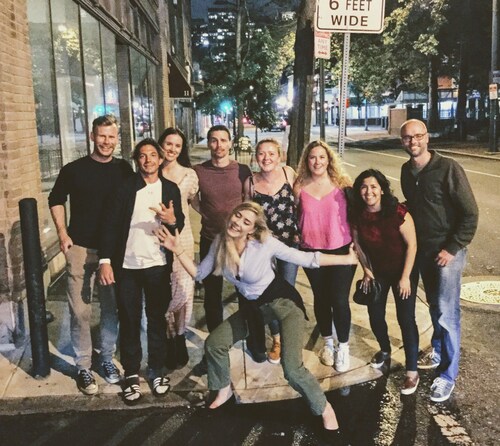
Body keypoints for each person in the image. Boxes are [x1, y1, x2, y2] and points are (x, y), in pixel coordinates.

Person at [155, 202, 358, 444]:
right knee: (215, 344)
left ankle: (325, 409)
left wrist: (346, 259)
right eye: (237, 215)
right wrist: (177, 250)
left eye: (246, 222)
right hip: (254, 309)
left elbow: (306, 258)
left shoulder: (265, 243)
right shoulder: (220, 242)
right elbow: (199, 274)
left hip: (283, 303)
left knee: (292, 370)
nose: (238, 222)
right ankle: (224, 391)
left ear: (252, 229)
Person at [48, 115, 133, 395]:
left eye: (111, 136)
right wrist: (63, 234)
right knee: (80, 310)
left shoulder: (124, 169)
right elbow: (56, 199)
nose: (106, 141)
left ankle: (106, 358)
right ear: (92, 136)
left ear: (117, 138)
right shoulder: (74, 170)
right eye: (102, 136)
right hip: (80, 248)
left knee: (111, 308)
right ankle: (83, 365)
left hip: (113, 252)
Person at [98, 138, 184, 404]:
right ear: (137, 160)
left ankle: (156, 370)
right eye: (143, 156)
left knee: (157, 319)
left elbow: (178, 221)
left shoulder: (169, 188)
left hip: (158, 265)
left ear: (160, 159)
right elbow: (109, 224)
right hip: (128, 266)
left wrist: (172, 220)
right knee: (129, 319)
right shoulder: (125, 188)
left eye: (153, 155)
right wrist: (105, 260)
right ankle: (132, 373)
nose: (148, 160)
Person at [400, 119, 478, 402]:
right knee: (434, 305)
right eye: (407, 137)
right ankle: (439, 348)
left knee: (447, 312)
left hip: (447, 253)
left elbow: (470, 213)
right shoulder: (407, 171)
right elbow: (415, 207)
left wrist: (452, 248)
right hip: (424, 252)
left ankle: (447, 375)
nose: (413, 141)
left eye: (418, 135)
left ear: (427, 137)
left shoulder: (448, 168)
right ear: (402, 141)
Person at [349, 169, 420, 395]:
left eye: (373, 186)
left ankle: (412, 372)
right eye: (363, 187)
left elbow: (412, 245)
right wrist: (367, 270)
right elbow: (358, 245)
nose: (368, 191)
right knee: (375, 314)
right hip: (378, 272)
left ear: (381, 189)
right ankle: (385, 350)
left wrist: (405, 277)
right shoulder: (358, 214)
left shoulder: (397, 212)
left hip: (403, 270)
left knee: (405, 318)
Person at [294, 140, 356, 373]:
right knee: (321, 298)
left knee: (339, 299)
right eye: (312, 157)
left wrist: (359, 246)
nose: (317, 161)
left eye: (322, 157)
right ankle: (328, 343)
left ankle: (343, 347)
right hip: (311, 251)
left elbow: (356, 215)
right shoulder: (299, 185)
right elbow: (293, 215)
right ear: (306, 160)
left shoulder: (342, 184)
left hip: (341, 249)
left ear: (329, 159)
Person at [243, 138, 299, 364]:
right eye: (261, 153)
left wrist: (301, 231)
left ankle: (288, 338)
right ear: (256, 157)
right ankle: (276, 339)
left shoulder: (289, 174)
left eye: (271, 153)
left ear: (280, 156)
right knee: (268, 293)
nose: (266, 158)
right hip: (263, 247)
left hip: (289, 245)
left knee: (286, 292)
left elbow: (300, 204)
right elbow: (247, 214)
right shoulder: (250, 182)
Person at [192, 125, 251, 332]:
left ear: (230, 143)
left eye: (223, 140)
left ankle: (245, 330)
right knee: (212, 292)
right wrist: (205, 213)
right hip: (211, 239)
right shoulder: (199, 171)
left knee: (244, 288)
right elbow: (193, 198)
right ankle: (215, 335)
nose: (219, 145)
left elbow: (248, 200)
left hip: (239, 241)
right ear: (209, 143)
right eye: (214, 140)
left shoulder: (242, 171)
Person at [159, 128, 199, 369]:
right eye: (168, 143)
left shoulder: (189, 175)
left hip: (182, 238)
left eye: (177, 145)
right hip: (156, 238)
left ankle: (180, 337)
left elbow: (193, 203)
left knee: (183, 290)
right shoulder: (151, 171)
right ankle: (168, 337)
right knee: (162, 288)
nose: (172, 149)